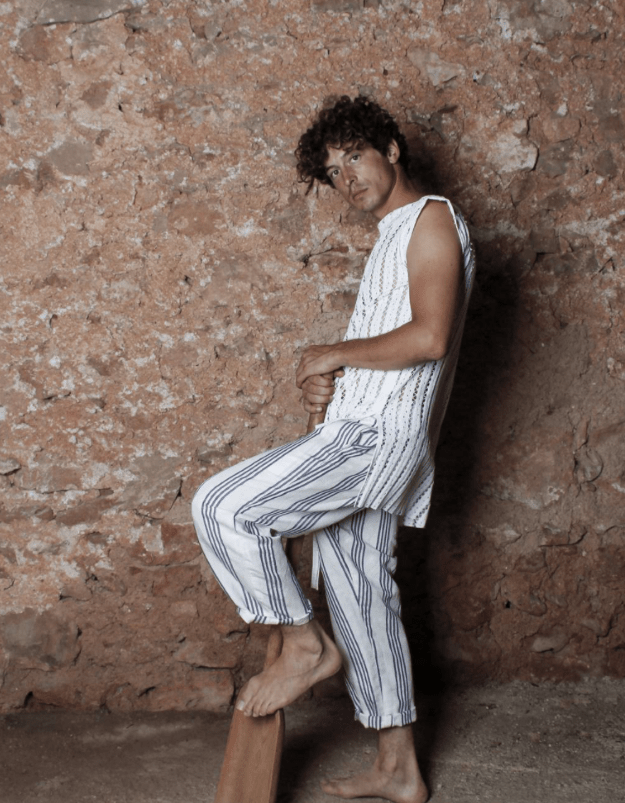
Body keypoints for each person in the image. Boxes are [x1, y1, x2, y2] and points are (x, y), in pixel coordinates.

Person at [192, 95, 475, 803]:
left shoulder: (430, 218)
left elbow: (430, 336)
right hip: (364, 429)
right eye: (332, 172)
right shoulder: (392, 236)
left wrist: (333, 352)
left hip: (374, 439)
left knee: (224, 506)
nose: (346, 177)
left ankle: (304, 644)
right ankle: (398, 768)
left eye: (354, 156)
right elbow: (393, 347)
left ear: (391, 149)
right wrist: (332, 380)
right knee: (361, 594)